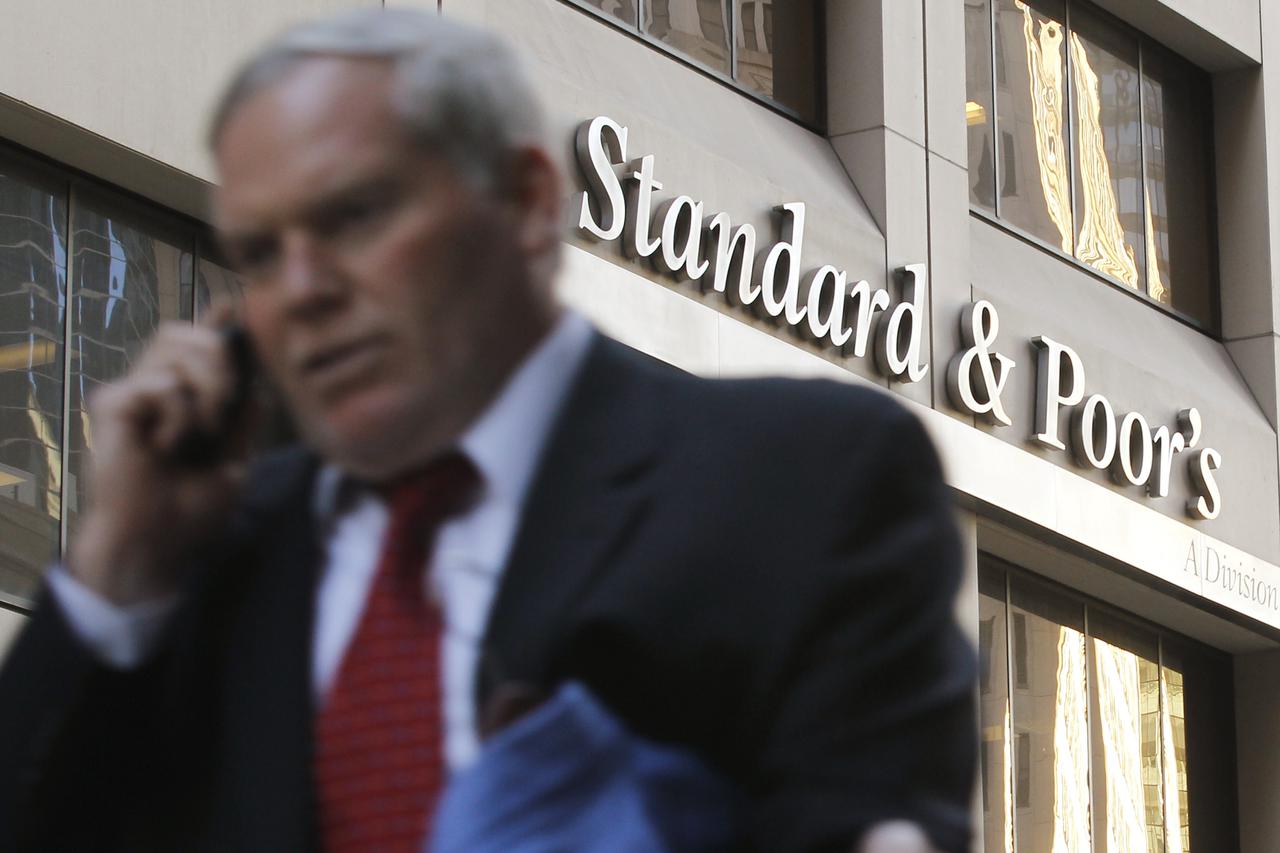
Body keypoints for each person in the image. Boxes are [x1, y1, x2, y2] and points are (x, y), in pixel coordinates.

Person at [0, 9, 975, 853]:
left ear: (526, 201)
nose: (300, 291)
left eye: (355, 214)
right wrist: (114, 570)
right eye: (259, 252)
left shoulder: (794, 482)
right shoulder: (206, 567)